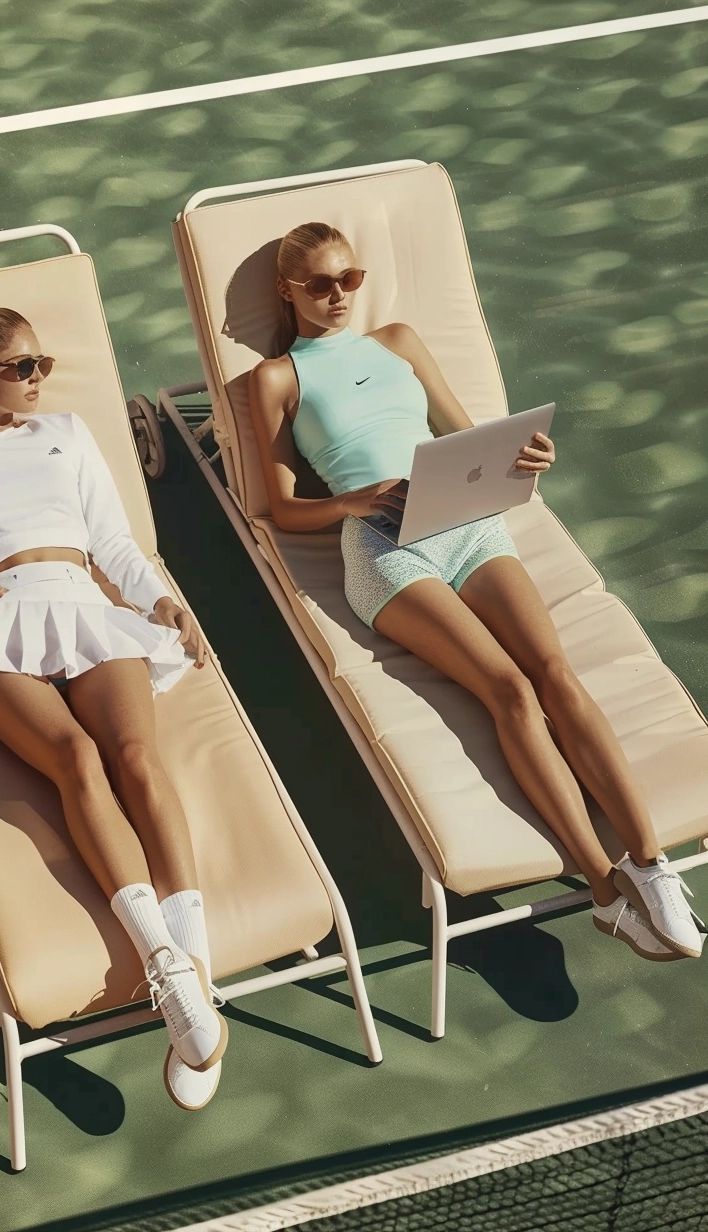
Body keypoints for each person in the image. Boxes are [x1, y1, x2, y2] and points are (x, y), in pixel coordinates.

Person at [249, 222, 704, 964]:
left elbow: (465, 434)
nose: (339, 297)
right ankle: (603, 889)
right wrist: (352, 502)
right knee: (511, 691)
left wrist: (526, 455)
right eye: (322, 285)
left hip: (467, 524)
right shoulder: (276, 379)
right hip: (384, 551)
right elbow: (277, 508)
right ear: (288, 290)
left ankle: (651, 868)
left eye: (349, 280)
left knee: (555, 674)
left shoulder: (396, 340)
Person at [0, 306, 226, 1111]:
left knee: (137, 759)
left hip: (81, 601)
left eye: (43, 364)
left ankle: (188, 971)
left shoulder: (65, 431)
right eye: (24, 367)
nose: (40, 379)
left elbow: (116, 544)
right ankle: (168, 968)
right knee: (75, 758)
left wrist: (165, 603)